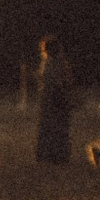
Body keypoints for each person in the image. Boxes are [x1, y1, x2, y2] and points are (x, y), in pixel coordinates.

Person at [33, 36, 76, 166]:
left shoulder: (57, 64)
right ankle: (49, 154)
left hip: (55, 97)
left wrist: (64, 96)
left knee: (56, 127)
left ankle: (57, 154)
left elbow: (60, 82)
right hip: (49, 97)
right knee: (50, 127)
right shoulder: (48, 63)